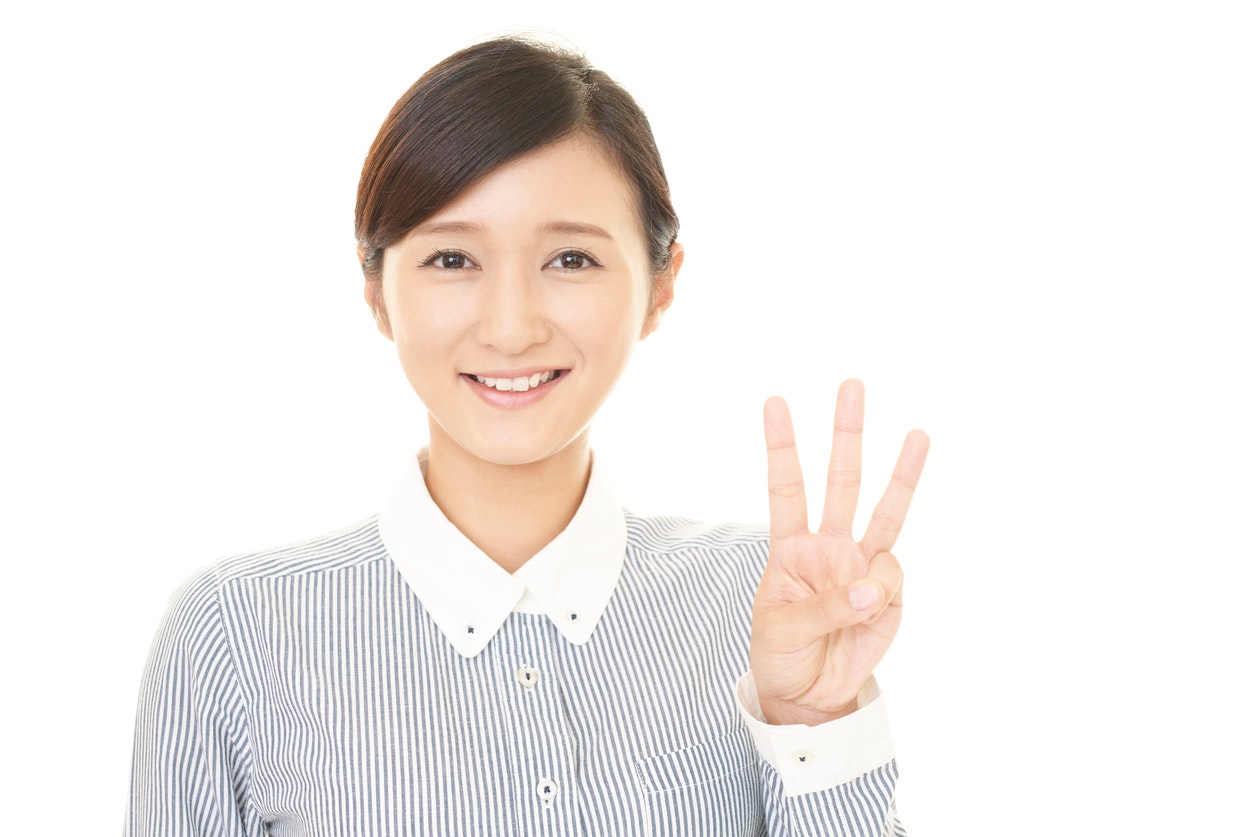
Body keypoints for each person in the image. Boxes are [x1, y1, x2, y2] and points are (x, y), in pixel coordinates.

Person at [126, 35, 929, 836]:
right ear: (377, 291)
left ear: (661, 287)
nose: (511, 328)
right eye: (451, 259)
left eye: (571, 259)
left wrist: (814, 722)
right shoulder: (236, 633)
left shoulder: (767, 604)